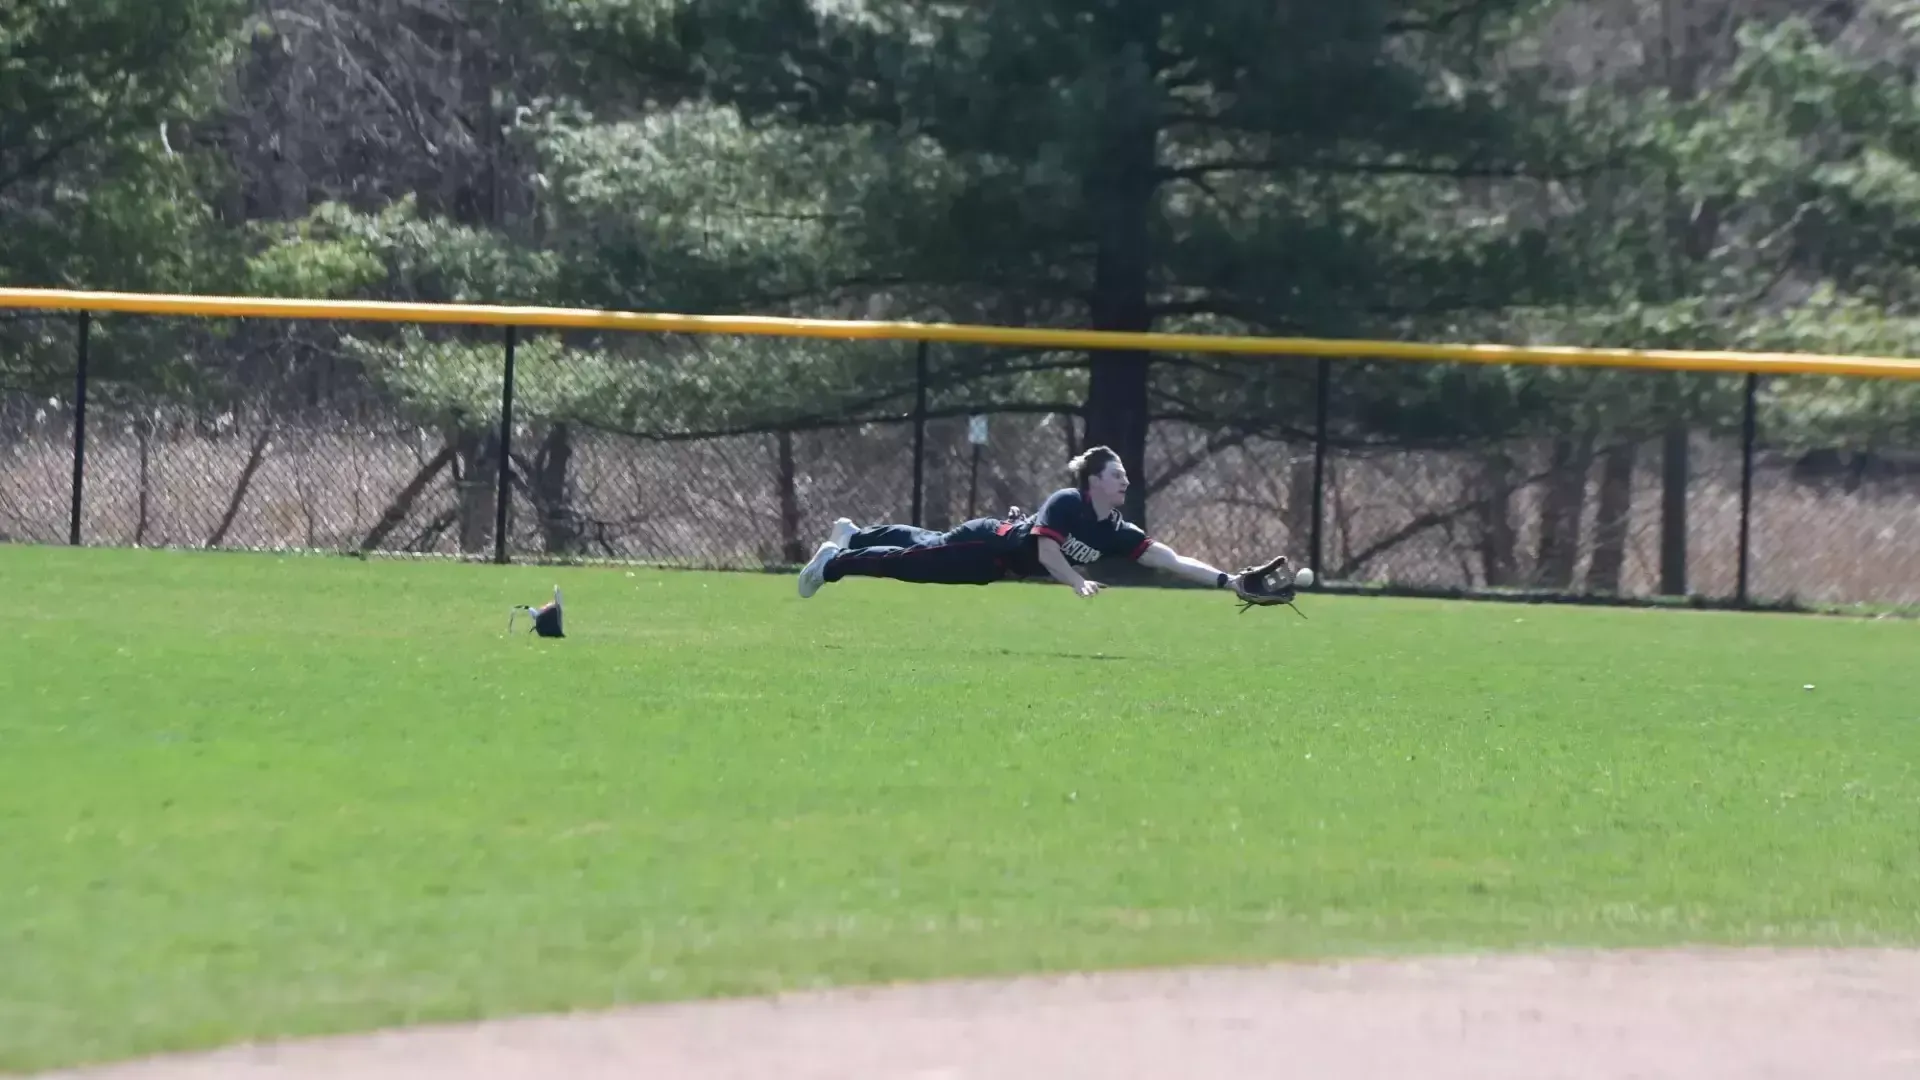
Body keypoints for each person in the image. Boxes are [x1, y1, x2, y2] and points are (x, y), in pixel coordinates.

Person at [796, 445, 1255, 599]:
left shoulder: (1115, 530)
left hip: (996, 565)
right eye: (1116, 475)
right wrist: (1076, 581)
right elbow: (1048, 551)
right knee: (909, 561)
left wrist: (1226, 579)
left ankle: (853, 534)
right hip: (987, 547)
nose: (1125, 481)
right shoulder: (1066, 502)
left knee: (924, 543)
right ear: (1093, 480)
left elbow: (1169, 559)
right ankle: (831, 564)